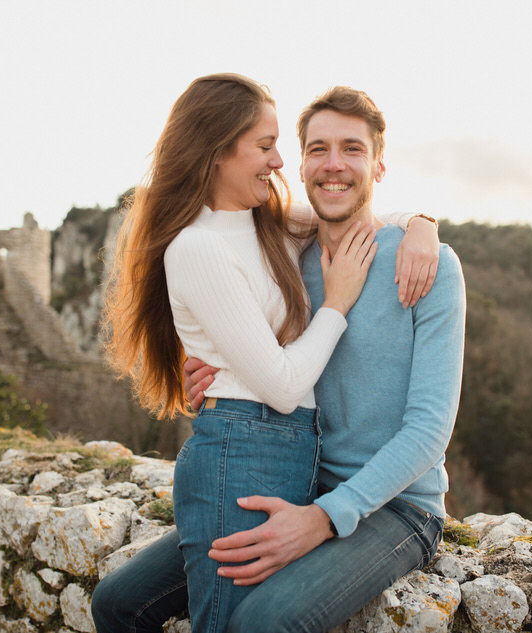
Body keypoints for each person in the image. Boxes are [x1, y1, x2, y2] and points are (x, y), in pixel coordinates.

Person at [96, 74, 442, 633]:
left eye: (353, 149)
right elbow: (273, 377)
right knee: (121, 603)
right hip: (282, 467)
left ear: (380, 162)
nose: (281, 161)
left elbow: (429, 430)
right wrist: (332, 306)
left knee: (247, 621)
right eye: (303, 149)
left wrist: (422, 224)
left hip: (383, 501)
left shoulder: (416, 263)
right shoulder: (274, 245)